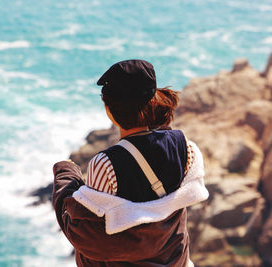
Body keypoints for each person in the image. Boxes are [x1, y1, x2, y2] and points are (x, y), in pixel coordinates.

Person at [52, 59, 209, 267]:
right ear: (152, 99)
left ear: (109, 111)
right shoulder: (185, 148)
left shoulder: (105, 163)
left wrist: (66, 173)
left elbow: (83, 231)